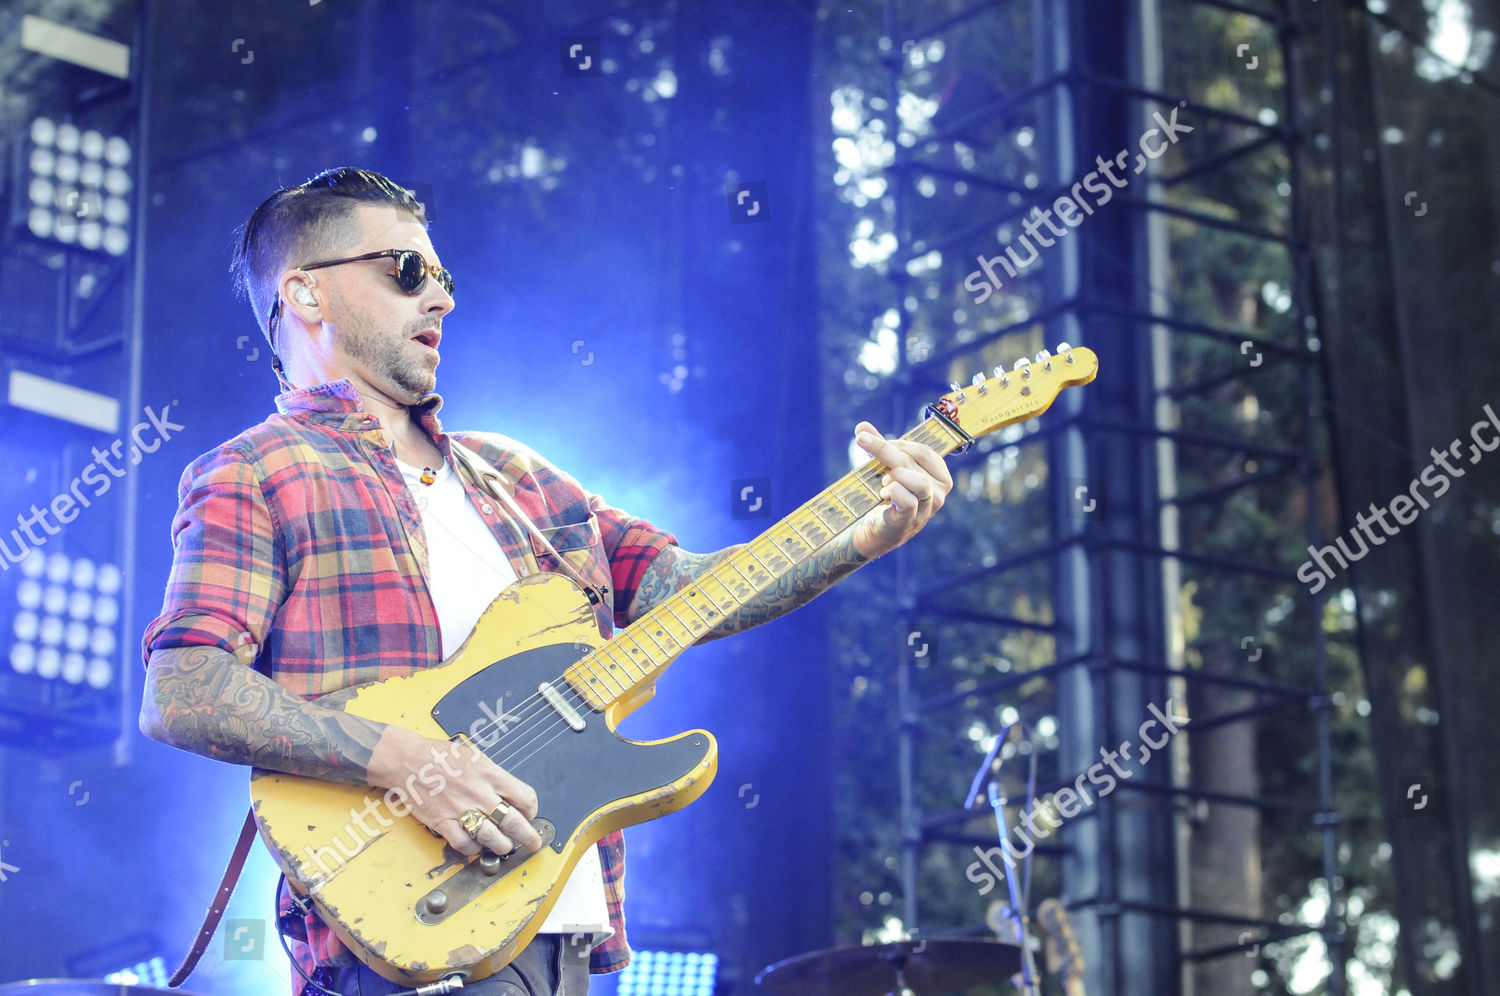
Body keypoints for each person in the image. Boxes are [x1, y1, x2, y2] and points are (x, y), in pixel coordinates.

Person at [138, 167, 951, 996]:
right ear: (306, 293)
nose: (441, 299)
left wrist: (861, 532)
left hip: (562, 938)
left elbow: (687, 590)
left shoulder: (517, 478)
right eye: (407, 271)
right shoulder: (255, 471)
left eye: (444, 278)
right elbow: (183, 689)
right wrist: (410, 763)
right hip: (401, 939)